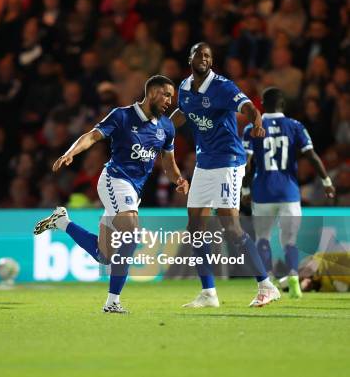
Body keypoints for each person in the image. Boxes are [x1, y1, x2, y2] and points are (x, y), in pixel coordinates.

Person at [34, 75, 189, 313]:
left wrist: (178, 178)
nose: (170, 100)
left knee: (103, 255)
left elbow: (168, 164)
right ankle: (112, 302)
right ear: (152, 93)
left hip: (133, 192)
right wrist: (71, 152)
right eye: (166, 94)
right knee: (132, 234)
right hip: (114, 180)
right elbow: (92, 136)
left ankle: (62, 222)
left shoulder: (166, 127)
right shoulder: (122, 115)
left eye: (172, 96)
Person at [171, 42, 279, 308]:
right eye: (200, 54)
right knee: (194, 227)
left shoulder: (222, 87)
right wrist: (158, 127)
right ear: (191, 58)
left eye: (209, 55)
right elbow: (182, 114)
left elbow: (246, 106)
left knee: (230, 226)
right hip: (204, 163)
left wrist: (256, 118)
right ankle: (209, 293)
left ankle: (266, 285)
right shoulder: (184, 88)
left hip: (228, 161)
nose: (205, 59)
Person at [242, 87, 336, 298]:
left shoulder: (251, 128)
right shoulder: (295, 126)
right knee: (289, 241)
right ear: (283, 105)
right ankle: (294, 279)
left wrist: (245, 188)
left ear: (262, 105)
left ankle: (267, 284)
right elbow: (311, 156)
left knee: (263, 238)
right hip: (289, 192)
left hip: (263, 191)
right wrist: (326, 181)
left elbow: (247, 163)